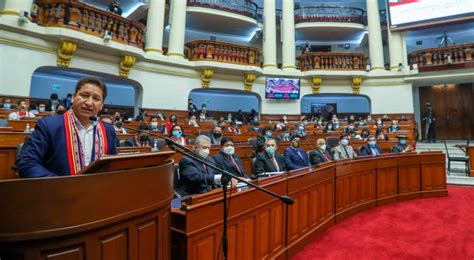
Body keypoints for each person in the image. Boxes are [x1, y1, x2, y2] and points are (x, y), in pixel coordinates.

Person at [18, 77, 118, 177]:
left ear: (101, 105)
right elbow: (28, 163)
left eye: (96, 99)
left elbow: (113, 167)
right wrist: (64, 186)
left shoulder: (108, 130)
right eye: (84, 95)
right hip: (57, 190)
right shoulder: (49, 125)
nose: (89, 103)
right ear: (73, 97)